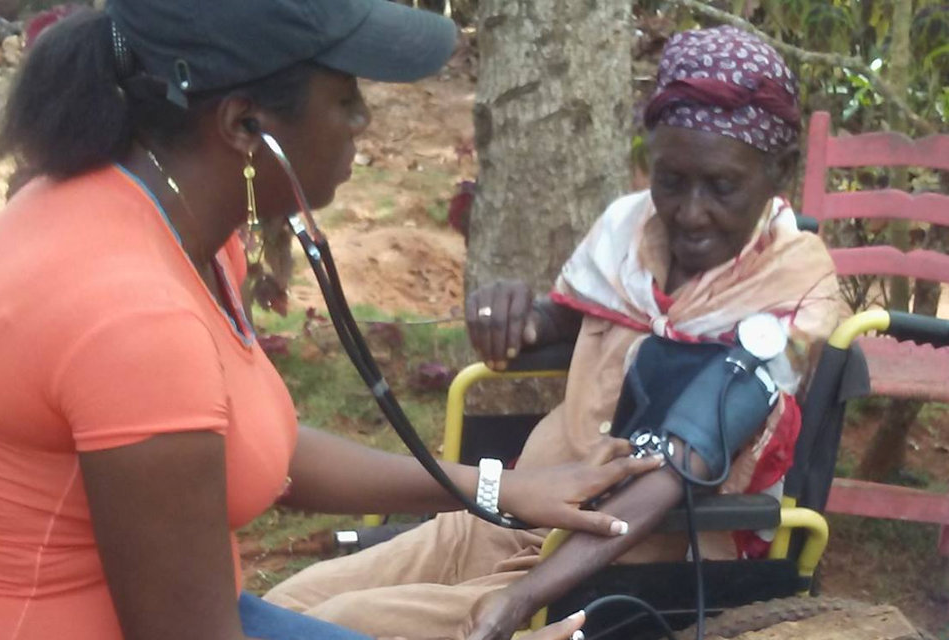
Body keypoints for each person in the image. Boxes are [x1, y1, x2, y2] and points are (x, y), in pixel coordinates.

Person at [0, 3, 667, 640]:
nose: (362, 121)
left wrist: (500, 488)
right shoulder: (136, 322)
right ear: (244, 126)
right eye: (345, 98)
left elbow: (241, 443)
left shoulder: (160, 212)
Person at [262, 25, 842, 640]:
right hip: (519, 509)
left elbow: (679, 468)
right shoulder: (628, 227)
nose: (690, 213)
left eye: (722, 187)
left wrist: (521, 598)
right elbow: (566, 318)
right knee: (285, 604)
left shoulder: (793, 286)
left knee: (338, 627)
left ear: (779, 170)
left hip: (630, 559)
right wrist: (515, 314)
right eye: (671, 181)